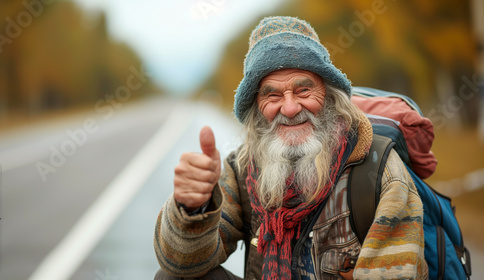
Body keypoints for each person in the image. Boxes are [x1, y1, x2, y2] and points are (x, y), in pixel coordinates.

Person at [154, 16, 428, 280]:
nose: (289, 108)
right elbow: (181, 262)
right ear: (257, 109)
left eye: (303, 91)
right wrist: (192, 209)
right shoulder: (243, 170)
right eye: (272, 95)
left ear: (329, 96)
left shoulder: (380, 173)